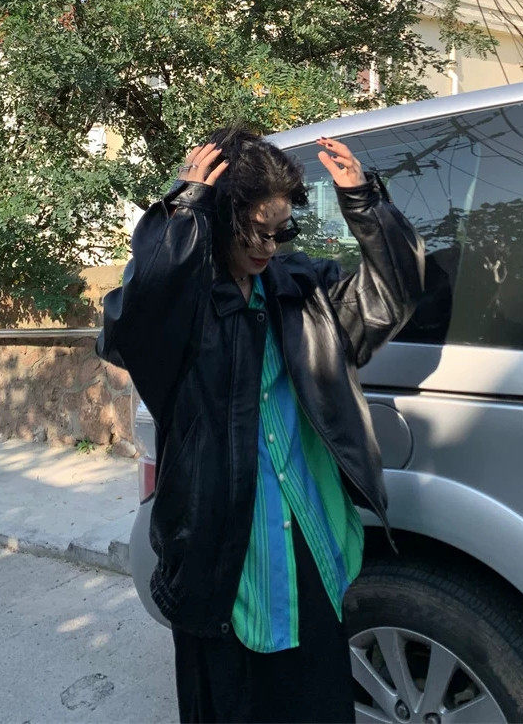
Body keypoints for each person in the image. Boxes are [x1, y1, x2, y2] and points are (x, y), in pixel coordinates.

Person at [96, 124, 425, 723]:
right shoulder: (183, 314)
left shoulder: (300, 291)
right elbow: (133, 318)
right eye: (254, 232)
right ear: (220, 221)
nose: (268, 247)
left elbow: (392, 295)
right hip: (221, 563)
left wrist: (364, 203)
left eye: (281, 232)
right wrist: (184, 208)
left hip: (311, 541)